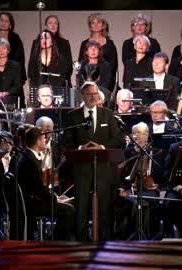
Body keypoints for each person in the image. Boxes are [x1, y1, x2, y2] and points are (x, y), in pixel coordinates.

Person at [63, 82, 125, 241]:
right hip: (81, 170)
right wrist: (80, 148)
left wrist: (102, 147)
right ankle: (81, 242)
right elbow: (66, 142)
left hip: (104, 169)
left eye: (95, 93)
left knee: (105, 208)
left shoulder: (108, 114)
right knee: (81, 208)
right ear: (82, 96)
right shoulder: (73, 116)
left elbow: (118, 139)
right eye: (89, 94)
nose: (93, 97)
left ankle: (105, 242)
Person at [18, 126, 75, 240]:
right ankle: (56, 241)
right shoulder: (30, 161)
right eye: (44, 138)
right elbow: (38, 189)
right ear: (38, 141)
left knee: (68, 207)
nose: (46, 140)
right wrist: (55, 199)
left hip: (33, 201)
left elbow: (38, 188)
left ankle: (53, 238)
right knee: (69, 210)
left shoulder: (27, 156)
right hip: (32, 205)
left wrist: (55, 196)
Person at [78, 13, 118, 91]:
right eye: (93, 22)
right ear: (90, 26)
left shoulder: (110, 44)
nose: (96, 25)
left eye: (99, 22)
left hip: (105, 81)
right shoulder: (84, 43)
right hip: (86, 80)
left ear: (103, 25)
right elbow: (81, 63)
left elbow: (113, 65)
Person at [0, 12, 26, 85]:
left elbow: (20, 60)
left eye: (6, 21)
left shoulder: (16, 39)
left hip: (13, 76)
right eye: (2, 20)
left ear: (10, 24)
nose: (4, 23)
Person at [29, 15, 72, 84]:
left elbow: (68, 66)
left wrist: (63, 81)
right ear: (45, 26)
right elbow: (32, 68)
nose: (53, 25)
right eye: (50, 23)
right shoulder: (36, 42)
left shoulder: (64, 43)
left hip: (59, 83)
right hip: (39, 84)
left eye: (56, 23)